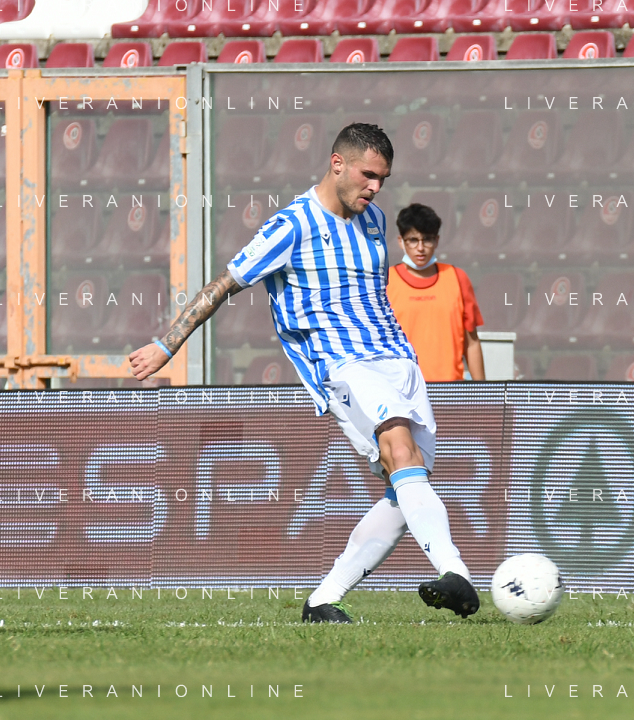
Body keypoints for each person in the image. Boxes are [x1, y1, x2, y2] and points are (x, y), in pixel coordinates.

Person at [129, 123, 480, 623]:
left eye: (382, 178)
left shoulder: (375, 219)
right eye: (368, 175)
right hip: (345, 364)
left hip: (399, 360)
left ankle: (322, 600)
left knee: (406, 486)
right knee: (399, 450)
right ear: (337, 164)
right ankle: (456, 572)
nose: (375, 187)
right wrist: (168, 344)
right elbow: (224, 284)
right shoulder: (291, 226)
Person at [387, 204, 485, 382]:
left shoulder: (457, 278)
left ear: (437, 240)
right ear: (401, 241)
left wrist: (484, 391)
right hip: (402, 389)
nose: (420, 248)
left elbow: (471, 343)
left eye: (427, 239)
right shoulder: (385, 282)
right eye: (413, 240)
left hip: (450, 390)